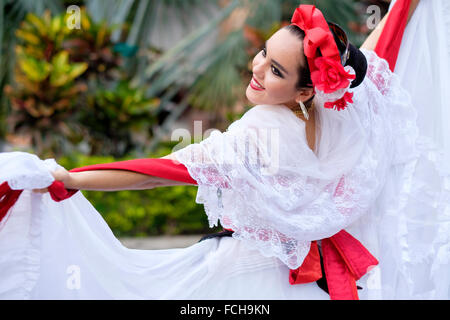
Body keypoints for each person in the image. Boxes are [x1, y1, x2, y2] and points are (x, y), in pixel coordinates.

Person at [1, 1, 447, 299]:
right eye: (263, 53)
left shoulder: (258, 135)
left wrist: (76, 178)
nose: (256, 69)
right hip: (314, 284)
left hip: (248, 281)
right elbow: (380, 49)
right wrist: (406, 8)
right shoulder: (346, 110)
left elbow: (164, 170)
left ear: (305, 90)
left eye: (274, 70)